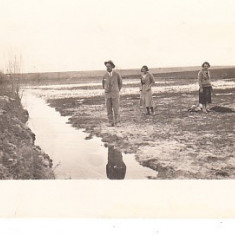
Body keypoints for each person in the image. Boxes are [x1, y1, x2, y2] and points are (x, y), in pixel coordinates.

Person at [102, 60, 122, 126]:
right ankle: (110, 122)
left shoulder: (117, 74)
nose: (107, 68)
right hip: (107, 95)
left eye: (109, 66)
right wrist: (106, 90)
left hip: (115, 94)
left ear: (112, 66)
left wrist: (116, 90)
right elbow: (103, 84)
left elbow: (120, 83)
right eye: (106, 66)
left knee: (116, 109)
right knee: (108, 109)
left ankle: (117, 122)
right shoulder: (105, 75)